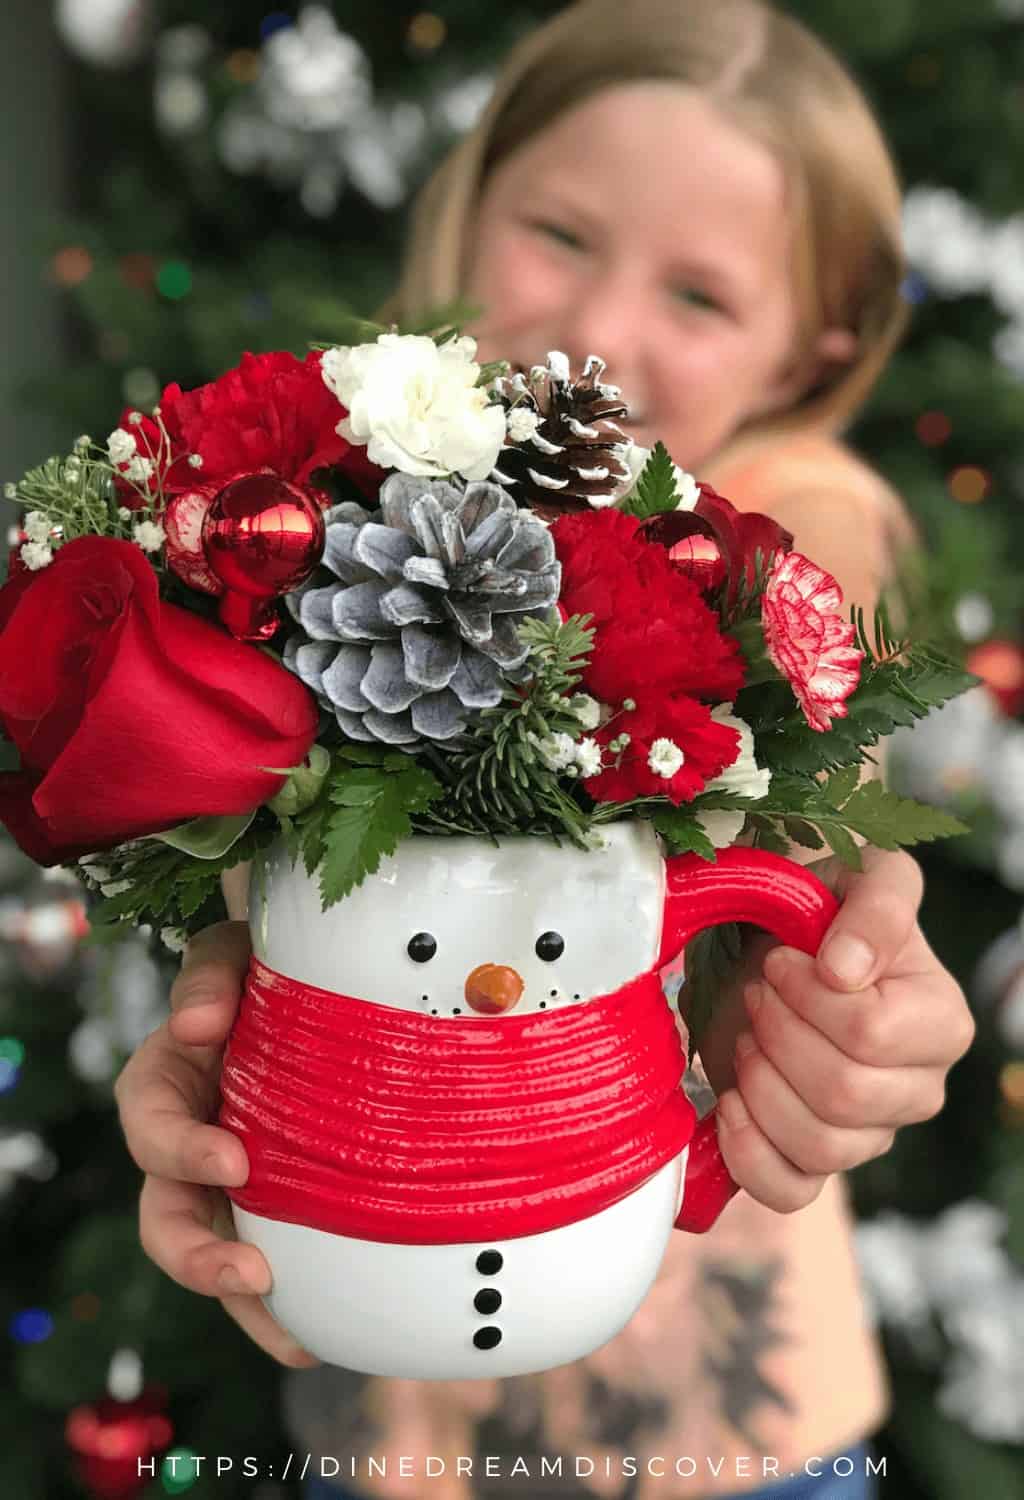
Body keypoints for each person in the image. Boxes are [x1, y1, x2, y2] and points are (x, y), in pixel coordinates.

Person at [114, 2, 976, 1497]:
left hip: (735, 1446)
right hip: (380, 1413)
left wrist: (808, 993)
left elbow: (799, 810)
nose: (601, 331)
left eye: (701, 295)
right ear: (471, 198)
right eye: (562, 233)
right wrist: (211, 1014)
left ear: (812, 345)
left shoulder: (780, 525)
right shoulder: (343, 508)